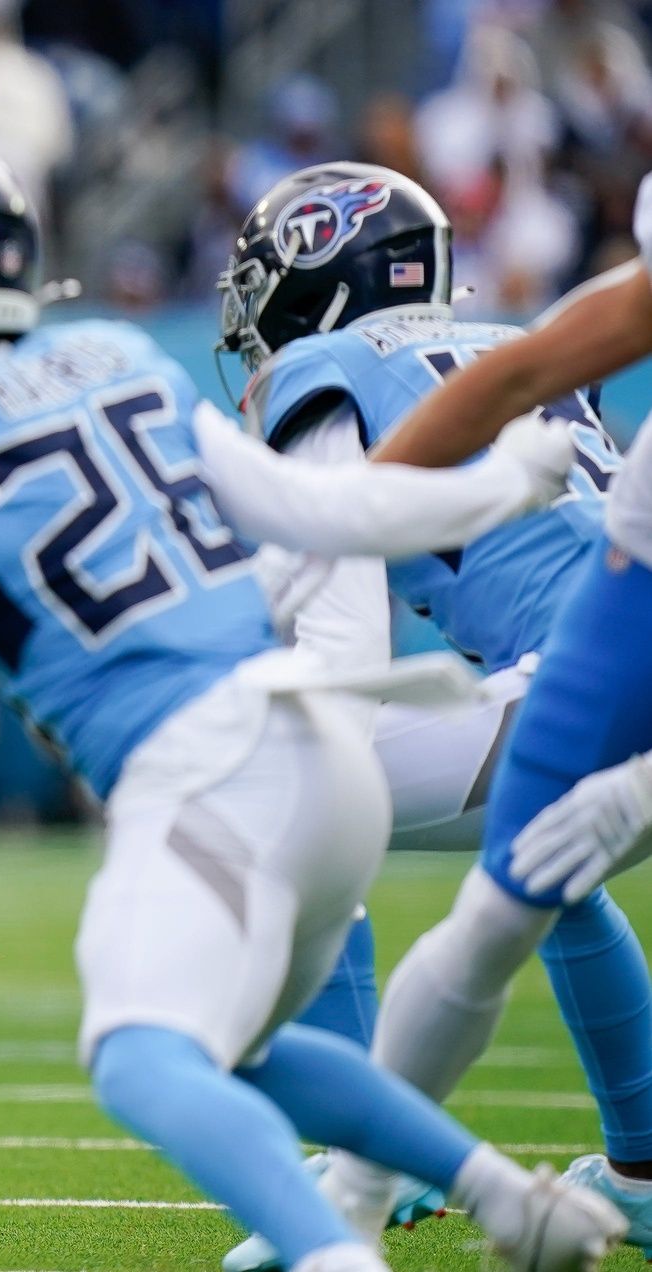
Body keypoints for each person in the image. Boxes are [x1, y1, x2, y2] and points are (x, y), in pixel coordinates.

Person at [0, 126, 623, 1272]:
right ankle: (510, 1197)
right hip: (316, 750)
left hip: (210, 768)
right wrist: (503, 477)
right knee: (232, 1042)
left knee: (140, 1053)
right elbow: (326, 512)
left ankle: (334, 1248)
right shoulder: (118, 360)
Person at [211, 160, 652, 1268]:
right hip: (607, 675)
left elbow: (344, 637)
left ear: (315, 270)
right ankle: (646, 1166)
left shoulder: (323, 363)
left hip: (591, 676)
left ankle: (371, 1152)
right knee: (548, 871)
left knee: (284, 768)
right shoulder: (517, 337)